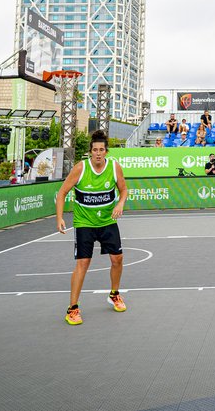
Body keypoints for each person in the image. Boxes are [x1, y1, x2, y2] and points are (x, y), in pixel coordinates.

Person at [56, 130, 129, 325]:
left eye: (101, 150)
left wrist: (120, 203)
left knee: (118, 259)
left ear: (106, 152)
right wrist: (60, 218)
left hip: (107, 221)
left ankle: (114, 294)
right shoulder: (80, 169)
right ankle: (72, 308)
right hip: (84, 223)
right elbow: (62, 193)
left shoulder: (114, 168)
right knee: (83, 263)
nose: (98, 153)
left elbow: (123, 190)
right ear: (90, 152)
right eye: (95, 149)